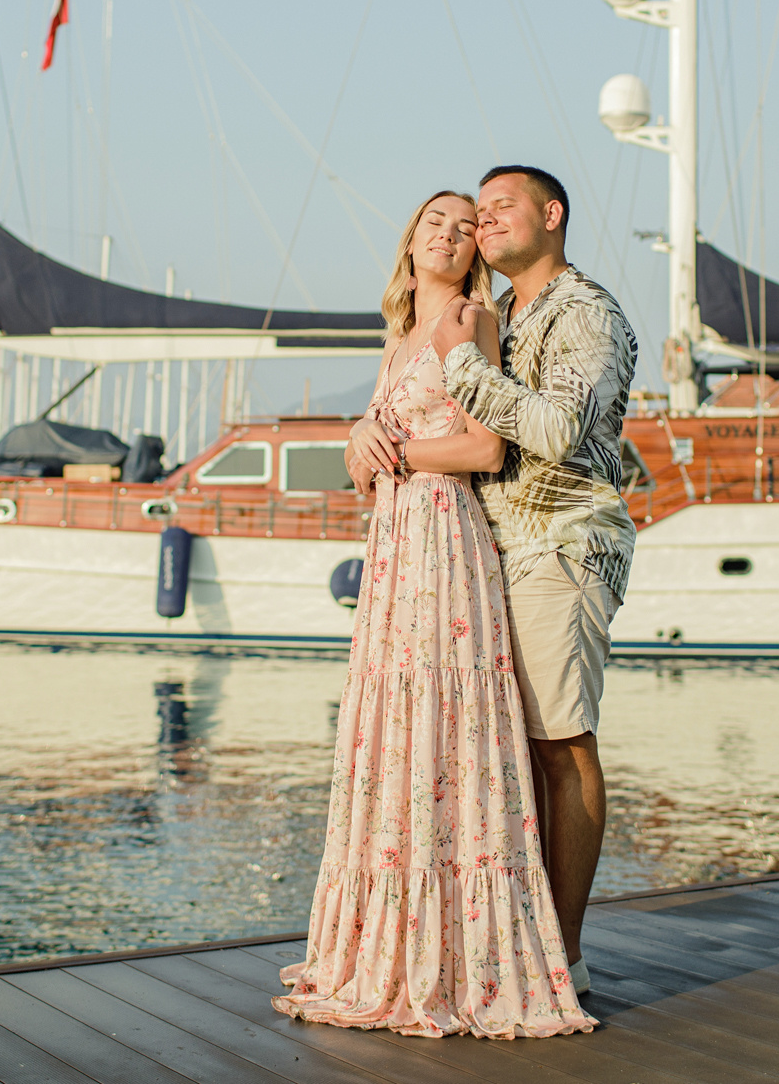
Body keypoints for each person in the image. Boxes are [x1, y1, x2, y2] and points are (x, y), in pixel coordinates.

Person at [272, 190, 594, 1039]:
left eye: (464, 227)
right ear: (410, 238)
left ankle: (462, 954)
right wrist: (357, 444)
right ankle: (391, 939)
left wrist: (402, 452)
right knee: (397, 729)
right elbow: (374, 453)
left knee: (444, 728)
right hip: (395, 546)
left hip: (445, 536)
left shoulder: (471, 316)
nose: (451, 234)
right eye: (436, 222)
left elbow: (487, 447)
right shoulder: (399, 334)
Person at [429, 164, 638, 998]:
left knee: (562, 744)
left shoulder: (585, 312)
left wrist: (460, 366)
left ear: (552, 215)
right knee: (516, 749)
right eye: (476, 213)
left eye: (500, 206)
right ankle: (526, 941)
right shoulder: (507, 314)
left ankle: (566, 957)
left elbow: (553, 427)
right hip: (500, 552)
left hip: (560, 546)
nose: (483, 222)